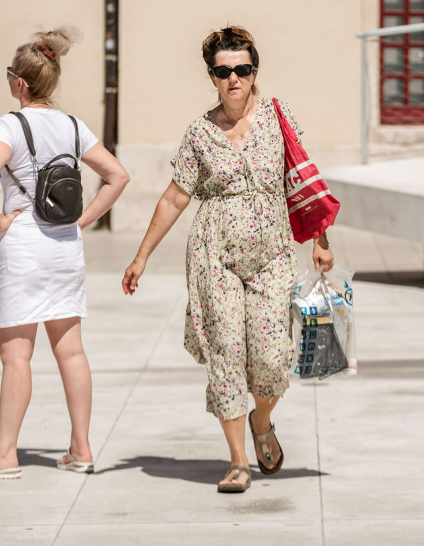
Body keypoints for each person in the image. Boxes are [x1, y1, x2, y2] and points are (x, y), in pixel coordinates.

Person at [122, 26, 335, 493]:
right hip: (213, 255)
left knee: (272, 356)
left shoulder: (278, 116)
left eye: (241, 69)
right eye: (223, 72)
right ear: (212, 77)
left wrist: (320, 238)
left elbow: (302, 178)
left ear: (254, 72)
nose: (233, 78)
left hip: (272, 255)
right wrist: (141, 256)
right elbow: (175, 197)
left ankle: (262, 421)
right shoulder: (199, 133)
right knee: (227, 353)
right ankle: (238, 461)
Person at [0, 27, 130, 481]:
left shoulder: (10, 124)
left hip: (25, 249)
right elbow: (117, 175)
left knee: (16, 354)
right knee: (71, 351)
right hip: (65, 247)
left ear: (19, 82)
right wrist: (83, 221)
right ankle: (81, 450)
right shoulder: (73, 126)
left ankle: (4, 454)